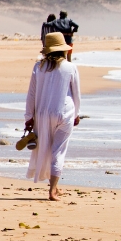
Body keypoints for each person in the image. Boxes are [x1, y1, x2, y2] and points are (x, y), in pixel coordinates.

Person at [24, 31, 82, 201]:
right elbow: (76, 94)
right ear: (63, 49)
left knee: (48, 149)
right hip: (64, 113)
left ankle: (54, 186)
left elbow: (31, 94)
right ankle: (53, 191)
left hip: (42, 114)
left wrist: (29, 116)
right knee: (58, 150)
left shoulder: (38, 67)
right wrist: (77, 114)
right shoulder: (70, 67)